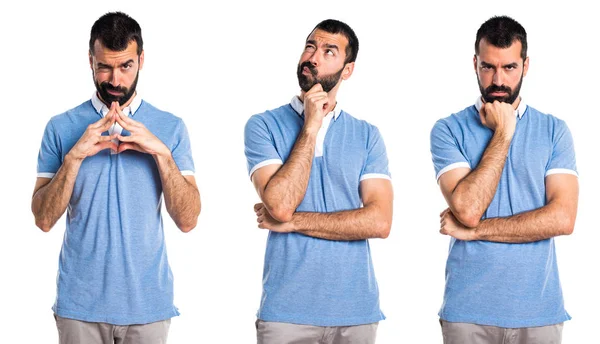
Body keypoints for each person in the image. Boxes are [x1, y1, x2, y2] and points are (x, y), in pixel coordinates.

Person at [31, 11, 200, 344]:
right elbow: (43, 219)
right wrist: (74, 156)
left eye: (125, 66)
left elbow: (188, 219)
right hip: (79, 307)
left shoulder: (171, 127)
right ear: (90, 61)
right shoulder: (60, 127)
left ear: (141, 60)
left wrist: (162, 154)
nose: (115, 80)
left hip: (148, 305)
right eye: (104, 67)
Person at [244, 19, 393, 344]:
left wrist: (294, 222)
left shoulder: (367, 136)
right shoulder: (263, 126)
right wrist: (311, 126)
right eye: (310, 46)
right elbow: (280, 203)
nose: (313, 56)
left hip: (357, 314)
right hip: (286, 316)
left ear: (347, 69)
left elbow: (380, 222)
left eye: (329, 51)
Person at [430, 15, 578, 343]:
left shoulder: (554, 131)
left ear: (525, 66)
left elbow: (563, 218)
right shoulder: (448, 130)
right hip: (468, 313)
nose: (498, 80)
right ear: (475, 64)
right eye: (488, 67)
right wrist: (505, 133)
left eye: (509, 67)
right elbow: (467, 209)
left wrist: (476, 231)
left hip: (539, 312)